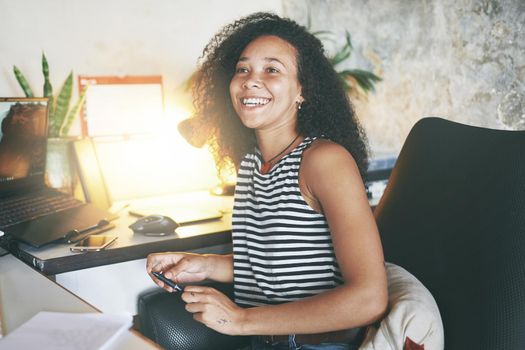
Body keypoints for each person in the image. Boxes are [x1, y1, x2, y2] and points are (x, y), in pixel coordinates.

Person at [147, 12, 388, 350]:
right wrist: (204, 265)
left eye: (272, 70)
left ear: (302, 90)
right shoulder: (252, 163)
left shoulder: (323, 160)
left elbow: (369, 298)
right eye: (242, 69)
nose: (250, 80)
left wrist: (239, 319)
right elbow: (277, 264)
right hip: (264, 341)